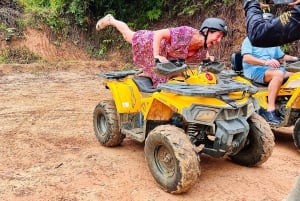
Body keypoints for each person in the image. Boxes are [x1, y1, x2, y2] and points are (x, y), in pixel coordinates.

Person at [96, 14, 227, 87]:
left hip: (167, 56)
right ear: (206, 31)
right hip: (152, 42)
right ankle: (111, 20)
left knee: (168, 77)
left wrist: (209, 59)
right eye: (218, 36)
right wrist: (157, 55)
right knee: (128, 35)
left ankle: (148, 71)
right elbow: (159, 34)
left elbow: (204, 53)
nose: (219, 40)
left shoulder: (202, 48)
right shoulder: (185, 33)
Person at [241, 12, 298, 124]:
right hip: (254, 69)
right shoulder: (250, 39)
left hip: (270, 69)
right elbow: (246, 58)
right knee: (278, 74)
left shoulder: (272, 41)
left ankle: (288, 106)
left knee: (296, 77)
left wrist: (296, 58)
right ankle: (270, 110)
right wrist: (265, 62)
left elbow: (281, 56)